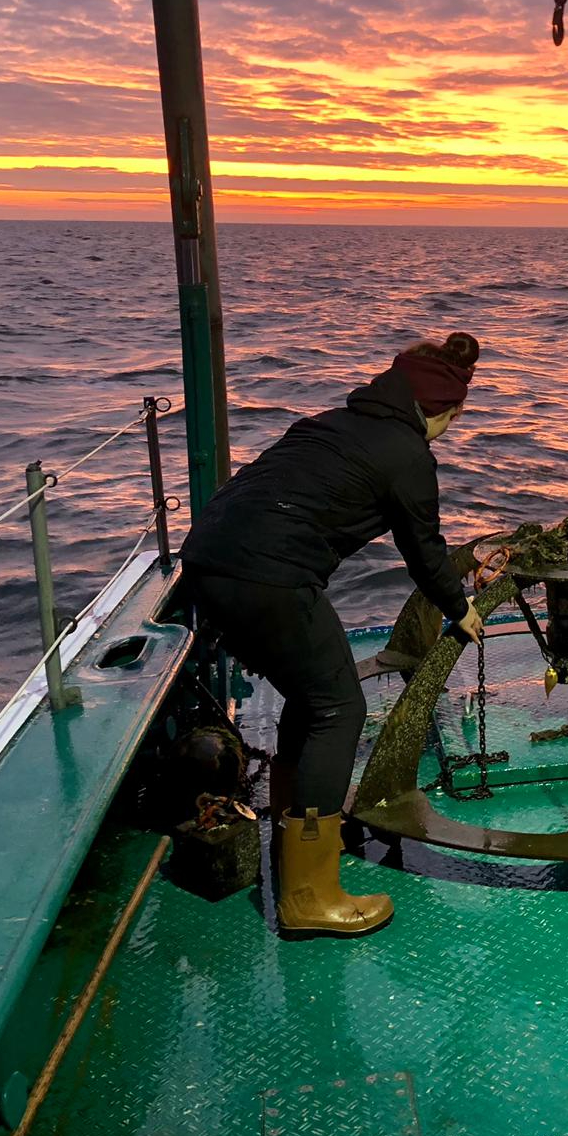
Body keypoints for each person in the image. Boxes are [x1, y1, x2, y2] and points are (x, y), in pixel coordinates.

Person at [181, 332, 485, 940]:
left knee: (312, 696)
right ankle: (308, 895)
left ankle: (298, 832)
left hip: (207, 561)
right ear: (444, 411)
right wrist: (460, 608)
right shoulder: (407, 453)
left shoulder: (330, 423)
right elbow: (424, 550)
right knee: (339, 705)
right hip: (266, 578)